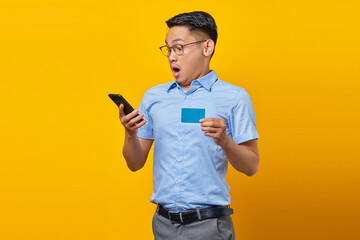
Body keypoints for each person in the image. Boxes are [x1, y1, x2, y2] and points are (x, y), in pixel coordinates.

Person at [119, 11, 259, 240]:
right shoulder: (154, 97)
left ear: (207, 48)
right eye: (168, 49)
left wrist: (225, 142)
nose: (172, 57)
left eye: (179, 48)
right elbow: (135, 163)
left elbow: (251, 166)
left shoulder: (235, 97)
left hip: (209, 226)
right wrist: (130, 134)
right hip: (163, 225)